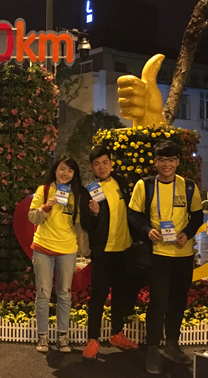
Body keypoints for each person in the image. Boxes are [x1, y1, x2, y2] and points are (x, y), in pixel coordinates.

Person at [128, 140, 204, 374]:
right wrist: (147, 230)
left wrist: (187, 233)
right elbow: (133, 214)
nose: (167, 164)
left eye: (171, 159)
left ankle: (172, 344)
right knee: (158, 302)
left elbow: (197, 216)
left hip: (183, 255)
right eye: (162, 159)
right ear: (155, 162)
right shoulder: (145, 185)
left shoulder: (188, 186)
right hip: (157, 255)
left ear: (178, 162)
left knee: (178, 301)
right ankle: (153, 348)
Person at [79, 146, 142, 360]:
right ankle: (92, 339)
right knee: (98, 295)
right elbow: (86, 224)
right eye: (97, 164)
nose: (102, 167)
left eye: (105, 162)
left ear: (111, 163)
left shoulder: (121, 182)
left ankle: (117, 334)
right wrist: (94, 214)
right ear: (91, 167)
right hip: (103, 252)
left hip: (124, 250)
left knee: (120, 294)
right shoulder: (89, 190)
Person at [28, 155, 82, 353]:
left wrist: (93, 212)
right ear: (55, 170)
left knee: (65, 294)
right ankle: (43, 337)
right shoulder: (43, 190)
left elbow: (80, 224)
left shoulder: (76, 195)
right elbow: (32, 217)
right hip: (43, 248)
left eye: (70, 170)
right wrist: (46, 207)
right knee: (43, 294)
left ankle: (62, 336)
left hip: (67, 250)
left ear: (74, 174)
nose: (65, 173)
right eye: (62, 168)